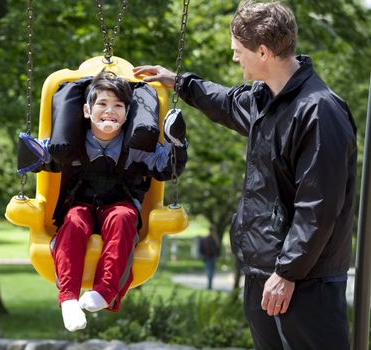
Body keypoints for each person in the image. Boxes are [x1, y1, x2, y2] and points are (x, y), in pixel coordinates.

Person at [133, 1, 357, 349]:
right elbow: (224, 101)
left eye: (239, 50)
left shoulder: (319, 111)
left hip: (305, 282)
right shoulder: (264, 98)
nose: (235, 58)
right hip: (263, 273)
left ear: (263, 51)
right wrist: (180, 83)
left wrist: (286, 273)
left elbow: (318, 206)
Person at [18, 71, 188, 332]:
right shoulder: (72, 142)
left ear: (127, 113)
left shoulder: (137, 146)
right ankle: (68, 300)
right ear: (87, 110)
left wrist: (177, 142)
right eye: (102, 104)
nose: (110, 112)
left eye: (118, 106)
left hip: (119, 205)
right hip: (80, 204)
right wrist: (31, 152)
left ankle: (105, 291)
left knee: (123, 217)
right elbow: (45, 155)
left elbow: (167, 167)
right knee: (73, 220)